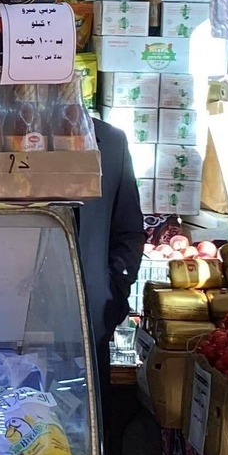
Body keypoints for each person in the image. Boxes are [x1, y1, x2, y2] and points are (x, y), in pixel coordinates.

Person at [76, 116, 146, 380]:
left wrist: (112, 292)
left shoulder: (111, 141)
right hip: (7, 321)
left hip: (90, 320)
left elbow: (128, 230)